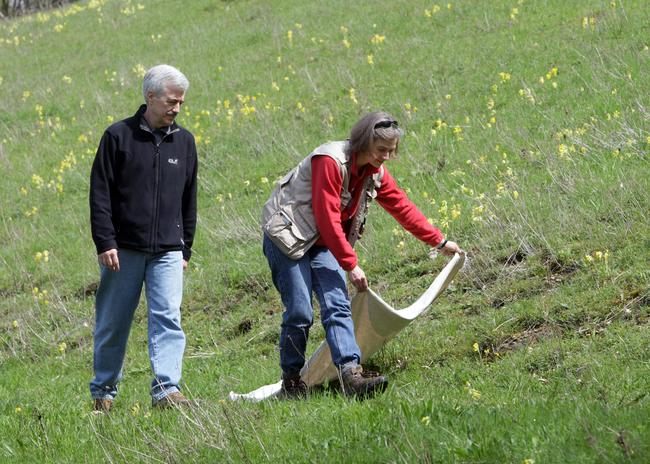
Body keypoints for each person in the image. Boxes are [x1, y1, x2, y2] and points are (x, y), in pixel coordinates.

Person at [261, 111, 462, 398]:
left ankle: (351, 376)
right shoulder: (329, 161)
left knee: (337, 303)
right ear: (364, 142)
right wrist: (351, 264)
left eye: (391, 152)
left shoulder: (375, 171)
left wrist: (440, 241)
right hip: (287, 237)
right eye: (382, 150)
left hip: (322, 241)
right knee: (300, 312)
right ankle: (292, 383)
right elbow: (327, 216)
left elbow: (402, 207)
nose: (387, 157)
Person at [89, 64, 198, 412]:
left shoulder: (185, 141)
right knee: (114, 322)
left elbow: (189, 199)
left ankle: (166, 389)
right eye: (171, 101)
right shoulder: (117, 137)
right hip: (123, 249)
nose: (176, 108)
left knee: (168, 317)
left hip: (168, 250)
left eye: (181, 103)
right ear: (150, 97)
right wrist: (105, 241)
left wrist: (186, 248)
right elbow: (100, 194)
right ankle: (103, 393)